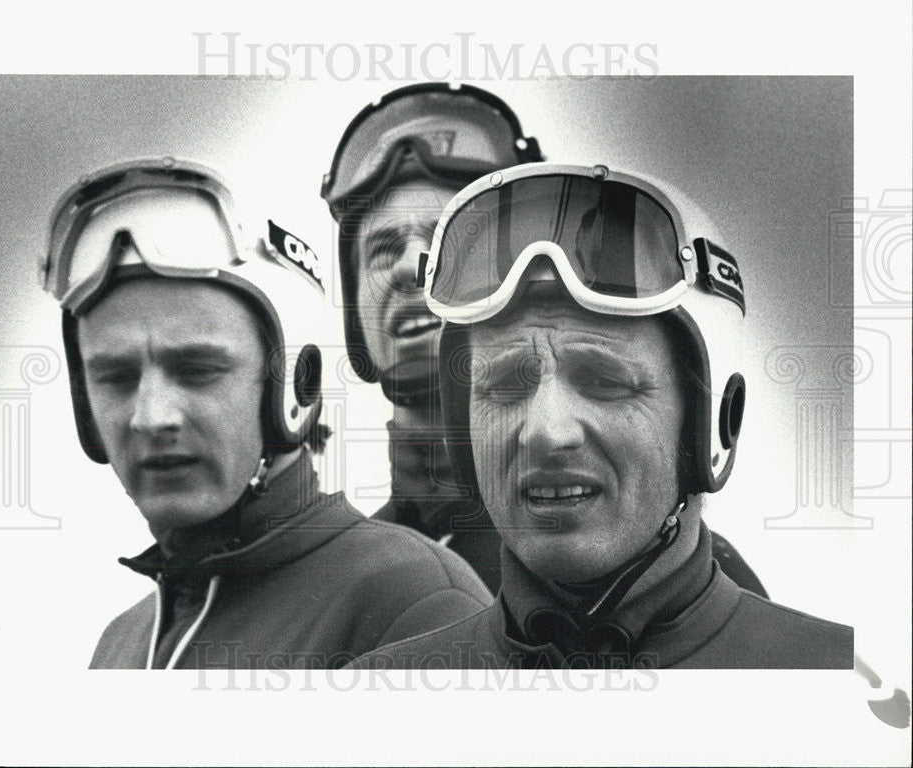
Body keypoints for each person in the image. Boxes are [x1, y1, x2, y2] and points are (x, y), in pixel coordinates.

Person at [352, 162, 854, 669]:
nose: (548, 431)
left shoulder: (840, 692)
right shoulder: (369, 704)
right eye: (504, 384)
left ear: (714, 421)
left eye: (604, 382)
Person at [321, 82, 768, 598]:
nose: (408, 267)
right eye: (382, 248)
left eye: (446, 246)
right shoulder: (331, 580)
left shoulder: (664, 575)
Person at [42, 158, 491, 670]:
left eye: (197, 369)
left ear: (294, 386)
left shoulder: (414, 605)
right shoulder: (118, 647)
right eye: (115, 377)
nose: (150, 417)